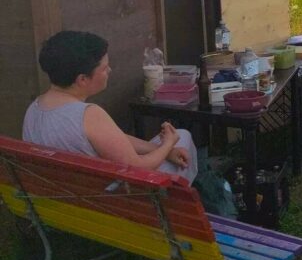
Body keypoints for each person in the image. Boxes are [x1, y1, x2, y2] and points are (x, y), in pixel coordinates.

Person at [23, 31, 197, 182]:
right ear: (82, 79)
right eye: (104, 68)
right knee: (183, 136)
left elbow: (112, 140)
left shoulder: (35, 108)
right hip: (111, 204)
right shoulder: (88, 115)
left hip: (63, 203)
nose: (110, 71)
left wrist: (162, 150)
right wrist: (168, 144)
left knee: (173, 147)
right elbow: (138, 168)